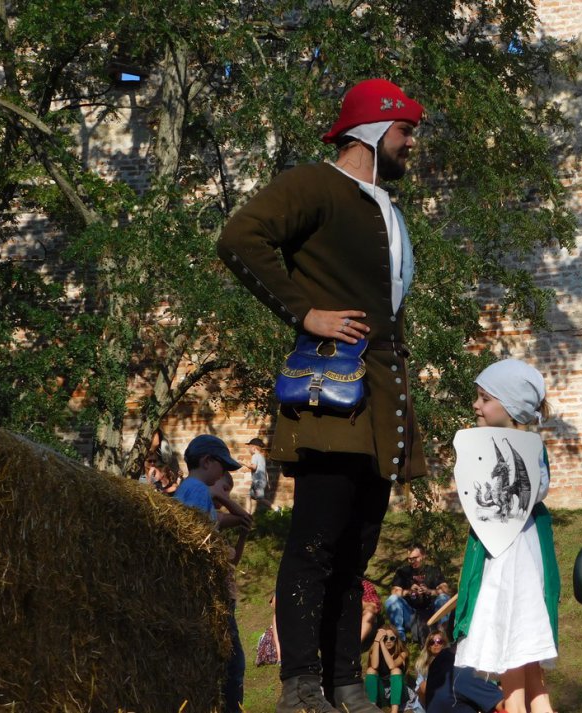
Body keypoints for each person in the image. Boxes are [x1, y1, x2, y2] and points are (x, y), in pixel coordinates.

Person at [217, 78, 429, 713]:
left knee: (355, 551)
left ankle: (344, 683)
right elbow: (240, 238)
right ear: (372, 132)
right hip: (332, 392)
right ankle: (301, 684)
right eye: (404, 131)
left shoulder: (386, 207)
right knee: (314, 543)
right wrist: (306, 313)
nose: (411, 143)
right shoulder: (314, 184)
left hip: (382, 399)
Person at [451, 360, 561, 713]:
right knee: (528, 665)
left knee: (511, 649)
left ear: (510, 406)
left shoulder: (529, 451)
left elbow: (533, 492)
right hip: (507, 550)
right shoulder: (499, 448)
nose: (476, 405)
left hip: (514, 559)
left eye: (485, 398)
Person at [173, 435, 252, 713]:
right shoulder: (197, 490)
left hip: (200, 593)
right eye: (222, 467)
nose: (223, 473)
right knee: (234, 662)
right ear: (207, 461)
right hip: (205, 594)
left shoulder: (190, 489)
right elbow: (196, 539)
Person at [210, 470, 251, 713]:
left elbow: (233, 560)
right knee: (236, 664)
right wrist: (220, 495)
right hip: (220, 601)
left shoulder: (215, 520)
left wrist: (243, 536)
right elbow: (244, 515)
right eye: (225, 488)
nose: (227, 495)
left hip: (228, 599)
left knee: (233, 664)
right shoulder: (207, 515)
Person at [385, 544, 451, 645]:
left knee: (444, 598)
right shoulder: (403, 572)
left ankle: (442, 634)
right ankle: (400, 639)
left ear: (423, 556)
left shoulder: (433, 571)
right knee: (392, 600)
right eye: (409, 559)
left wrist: (429, 591)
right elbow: (394, 591)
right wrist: (409, 592)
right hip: (410, 615)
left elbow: (445, 590)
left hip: (432, 614)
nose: (412, 561)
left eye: (415, 558)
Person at [364, 624, 409, 713]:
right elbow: (374, 666)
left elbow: (391, 666)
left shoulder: (402, 653)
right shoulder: (375, 652)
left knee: (396, 670)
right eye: (385, 638)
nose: (388, 641)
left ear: (396, 639)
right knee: (371, 670)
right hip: (381, 692)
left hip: (398, 692)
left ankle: (394, 711)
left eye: (392, 638)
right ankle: (372, 708)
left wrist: (382, 644)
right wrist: (377, 641)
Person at [414, 630, 450, 707]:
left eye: (439, 641)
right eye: (432, 642)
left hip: (445, 700)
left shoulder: (452, 662)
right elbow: (419, 689)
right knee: (424, 685)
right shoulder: (422, 664)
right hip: (425, 704)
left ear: (444, 644)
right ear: (429, 646)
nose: (436, 644)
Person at [243, 437, 275, 512]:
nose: (248, 449)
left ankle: (276, 508)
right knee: (249, 496)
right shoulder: (262, 457)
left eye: (249, 448)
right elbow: (265, 470)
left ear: (254, 448)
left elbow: (253, 467)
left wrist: (244, 463)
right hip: (261, 481)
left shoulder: (255, 456)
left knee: (260, 499)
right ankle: (247, 514)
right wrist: (267, 482)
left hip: (258, 481)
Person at [360, 578, 382, 645]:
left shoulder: (364, 584)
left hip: (362, 621)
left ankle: (354, 647)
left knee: (369, 614)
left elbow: (375, 606)